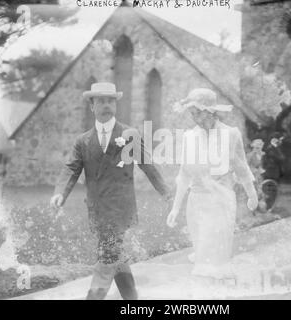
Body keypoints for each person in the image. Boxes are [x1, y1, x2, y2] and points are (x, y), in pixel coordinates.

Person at [50, 82, 171, 300]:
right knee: (116, 255)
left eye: (110, 101)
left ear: (115, 104)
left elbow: (147, 164)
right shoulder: (83, 141)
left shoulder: (129, 134)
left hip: (121, 209)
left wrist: (166, 192)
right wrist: (60, 192)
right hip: (97, 210)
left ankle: (94, 298)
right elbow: (71, 167)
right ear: (92, 106)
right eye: (101, 101)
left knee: (107, 255)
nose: (106, 105)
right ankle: (132, 299)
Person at [166, 88, 258, 279]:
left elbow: (240, 166)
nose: (194, 117)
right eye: (192, 113)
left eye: (197, 112)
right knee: (202, 255)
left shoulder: (231, 134)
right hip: (196, 201)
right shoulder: (189, 137)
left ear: (210, 111)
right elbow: (184, 174)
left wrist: (252, 193)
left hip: (221, 199)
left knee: (216, 257)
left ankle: (218, 293)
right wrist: (175, 208)